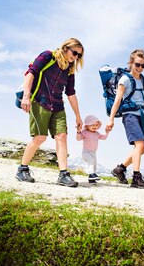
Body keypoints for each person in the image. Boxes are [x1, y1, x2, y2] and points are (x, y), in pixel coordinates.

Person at [16, 37, 84, 187]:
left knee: (62, 136)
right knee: (39, 138)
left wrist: (78, 117)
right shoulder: (48, 56)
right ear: (66, 48)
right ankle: (22, 169)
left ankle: (63, 174)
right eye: (75, 53)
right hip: (40, 101)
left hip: (58, 105)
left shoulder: (70, 70)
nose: (76, 57)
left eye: (79, 55)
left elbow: (71, 93)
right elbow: (30, 73)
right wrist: (26, 97)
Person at [105, 49, 144, 189]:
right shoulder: (125, 79)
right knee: (139, 145)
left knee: (143, 149)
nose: (140, 68)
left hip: (142, 115)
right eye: (137, 65)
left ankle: (120, 169)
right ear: (131, 63)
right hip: (130, 115)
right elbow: (117, 100)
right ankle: (136, 178)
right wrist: (111, 119)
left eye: (143, 66)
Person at [76, 115, 109, 183]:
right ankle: (91, 174)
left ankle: (92, 179)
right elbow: (78, 139)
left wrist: (107, 132)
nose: (94, 126)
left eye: (96, 125)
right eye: (92, 124)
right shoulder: (85, 132)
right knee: (91, 160)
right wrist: (78, 132)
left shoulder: (97, 133)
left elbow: (104, 138)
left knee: (94, 164)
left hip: (93, 153)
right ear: (87, 125)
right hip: (86, 152)